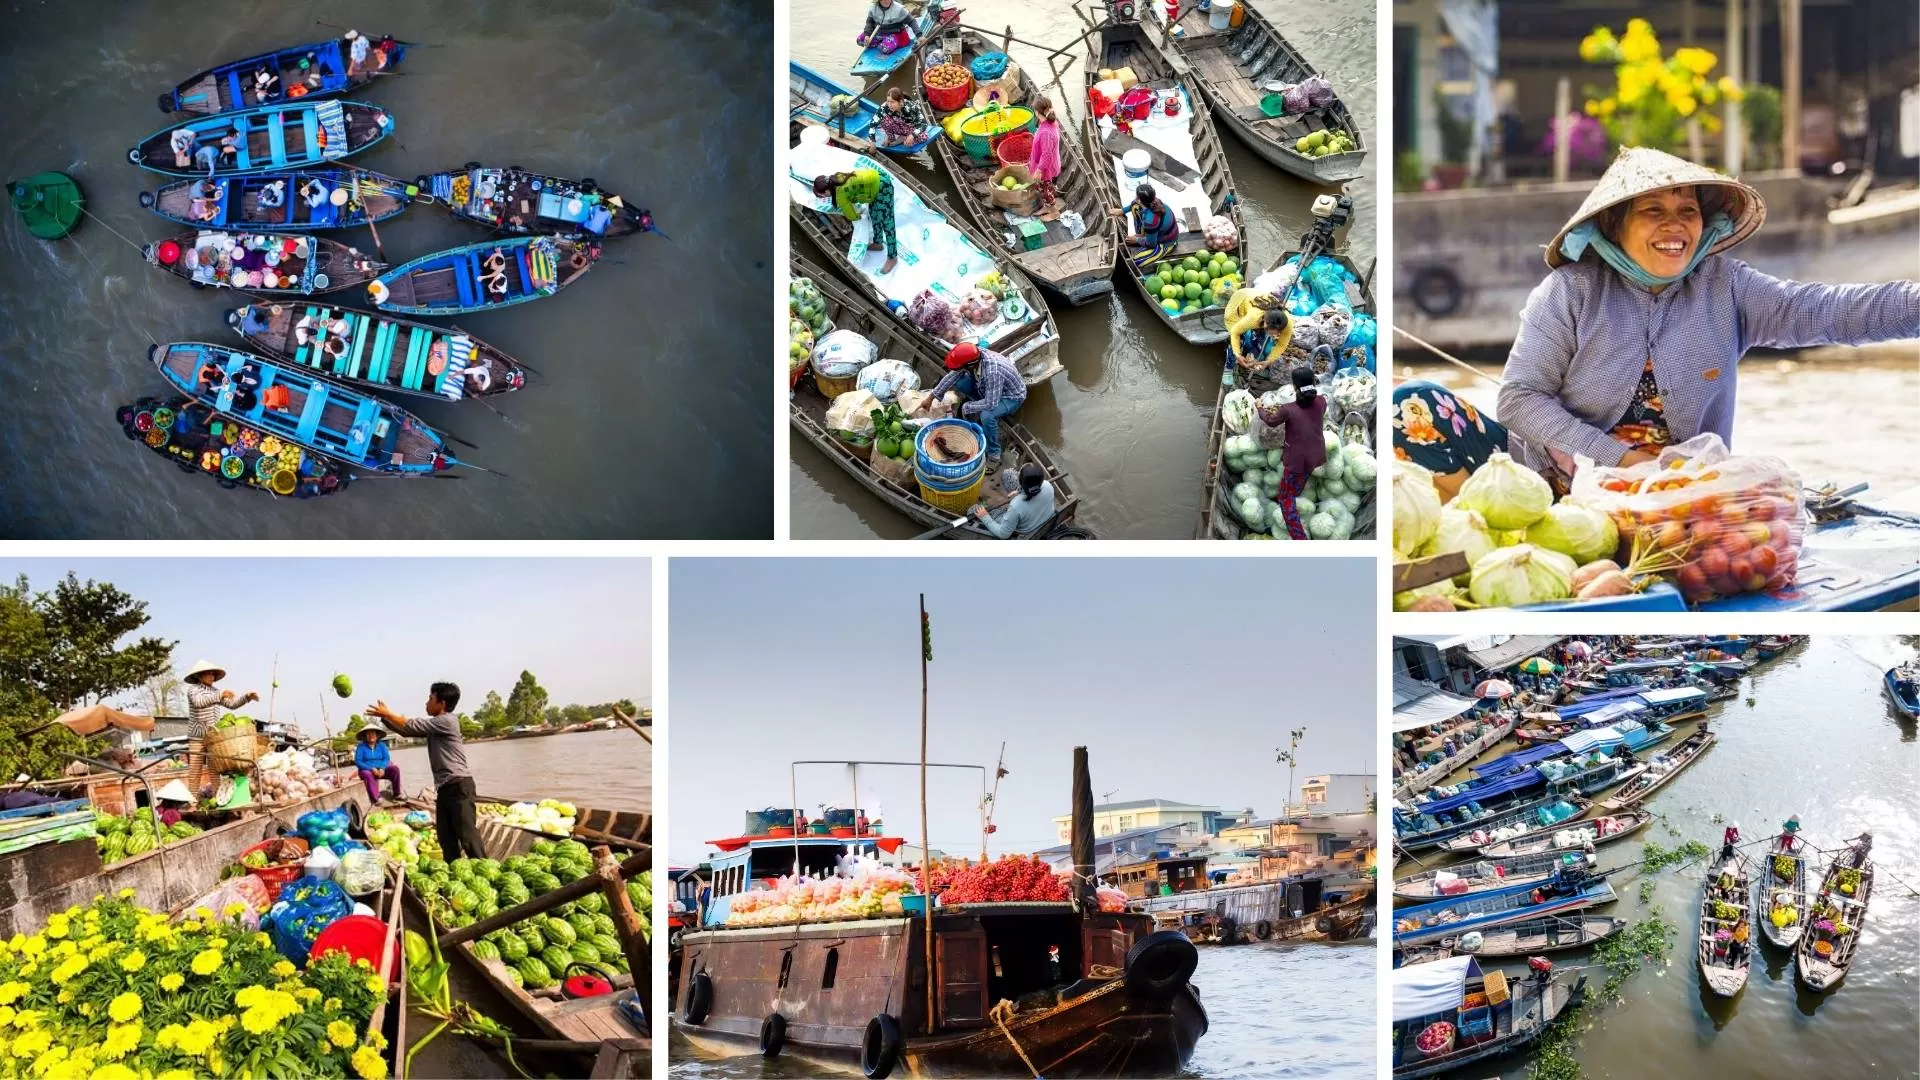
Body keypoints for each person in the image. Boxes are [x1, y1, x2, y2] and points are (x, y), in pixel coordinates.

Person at [1490, 146, 1919, 493]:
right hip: (1562, 485)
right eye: (1653, 211)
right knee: (1427, 403)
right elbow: (1520, 399)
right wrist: (1621, 460)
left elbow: (1829, 310)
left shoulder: (1726, 287)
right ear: (1614, 226)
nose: (1674, 227)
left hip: (1679, 491)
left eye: (1687, 212)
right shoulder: (1572, 291)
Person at [366, 683, 485, 861]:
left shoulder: (447, 721)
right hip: (445, 788)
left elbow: (412, 724)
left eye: (430, 698)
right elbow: (407, 731)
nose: (426, 703)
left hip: (459, 786)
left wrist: (387, 713)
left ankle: (485, 868)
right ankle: (454, 873)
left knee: (468, 837)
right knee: (446, 839)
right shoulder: (435, 727)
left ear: (441, 703)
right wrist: (383, 719)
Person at [928, 341, 1026, 468]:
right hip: (990, 389)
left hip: (1011, 397)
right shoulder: (974, 355)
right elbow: (953, 375)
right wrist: (931, 397)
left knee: (987, 415)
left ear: (970, 365)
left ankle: (994, 454)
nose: (959, 370)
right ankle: (978, 404)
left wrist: (968, 407)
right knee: (961, 382)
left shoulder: (993, 371)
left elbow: (991, 403)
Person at [1263, 365, 1329, 539]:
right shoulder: (1322, 401)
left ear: (1294, 387)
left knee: (1285, 499)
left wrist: (1259, 408)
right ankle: (1296, 490)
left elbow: (1270, 421)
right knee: (1303, 475)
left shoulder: (1288, 409)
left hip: (1297, 459)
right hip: (1316, 454)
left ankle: (1299, 537)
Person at [181, 659, 259, 799]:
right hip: (197, 737)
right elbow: (199, 702)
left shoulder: (216, 691)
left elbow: (232, 705)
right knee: (195, 770)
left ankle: (218, 798)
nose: (212, 677)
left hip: (213, 738)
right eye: (209, 674)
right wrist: (219, 695)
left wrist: (246, 698)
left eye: (213, 674)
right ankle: (192, 800)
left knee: (214, 770)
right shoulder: (193, 690)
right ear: (200, 676)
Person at [813, 169, 898, 274]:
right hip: (875, 184)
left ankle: (892, 257)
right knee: (875, 215)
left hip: (883, 187)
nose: (824, 197)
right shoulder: (836, 178)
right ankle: (878, 243)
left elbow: (852, 216)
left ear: (826, 191)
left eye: (822, 195)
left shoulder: (840, 194)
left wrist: (857, 217)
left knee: (887, 222)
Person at [975, 462, 1054, 539]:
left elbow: (1003, 534)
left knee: (974, 509)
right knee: (1008, 473)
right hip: (1041, 519)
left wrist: (985, 517)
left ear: (1020, 481)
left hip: (1024, 531)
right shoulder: (1048, 485)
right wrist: (1019, 491)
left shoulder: (1016, 505)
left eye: (1020, 471)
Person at [1110, 182, 1181, 258]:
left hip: (1165, 241)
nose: (1135, 198)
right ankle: (1147, 235)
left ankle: (1163, 245)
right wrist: (1122, 211)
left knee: (1136, 260)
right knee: (1135, 206)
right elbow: (1134, 203)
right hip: (1155, 232)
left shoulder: (1150, 222)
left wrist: (1137, 240)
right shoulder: (1154, 201)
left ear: (1139, 200)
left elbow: (1151, 244)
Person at [1027, 95, 1064, 214]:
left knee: (1045, 189)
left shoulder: (1046, 132)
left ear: (1037, 113)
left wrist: (1039, 171)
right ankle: (1048, 204)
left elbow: (1046, 155)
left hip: (1045, 169)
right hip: (1050, 163)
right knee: (1046, 187)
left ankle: (1052, 210)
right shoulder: (1049, 123)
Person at [353, 728, 402, 804]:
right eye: (368, 734)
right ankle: (376, 798)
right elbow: (358, 761)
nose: (371, 735)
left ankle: (397, 794)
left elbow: (386, 758)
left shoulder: (382, 745)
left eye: (373, 733)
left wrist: (382, 768)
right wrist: (371, 768)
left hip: (381, 771)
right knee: (367, 774)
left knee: (395, 769)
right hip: (367, 771)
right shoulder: (361, 747)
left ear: (377, 735)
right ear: (365, 736)